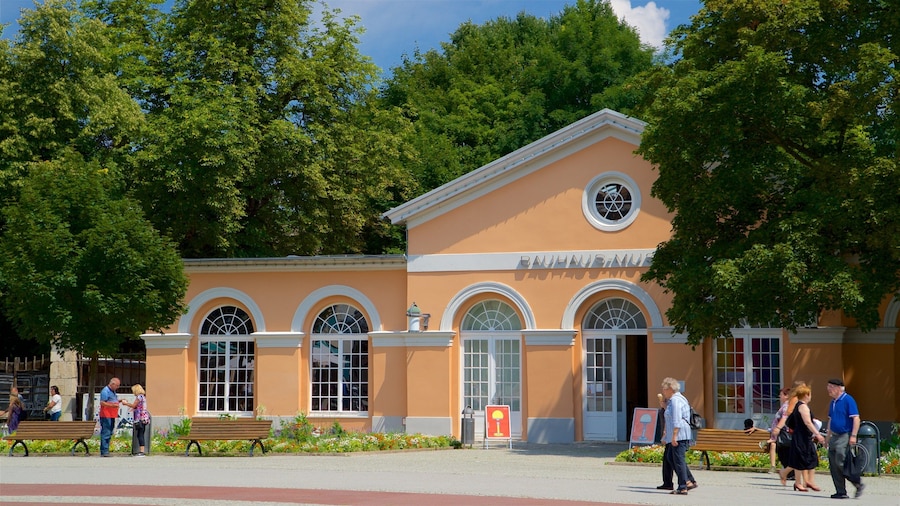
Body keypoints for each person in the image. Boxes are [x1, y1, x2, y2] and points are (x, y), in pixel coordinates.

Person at [777, 385, 824, 492]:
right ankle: (804, 481)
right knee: (806, 458)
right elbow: (808, 422)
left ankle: (798, 480)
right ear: (806, 395)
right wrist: (817, 434)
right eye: (810, 394)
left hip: (801, 435)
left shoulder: (798, 405)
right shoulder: (803, 406)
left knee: (804, 458)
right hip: (802, 436)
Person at [657, 377, 697, 495]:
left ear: (670, 389)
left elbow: (677, 419)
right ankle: (689, 481)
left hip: (680, 434)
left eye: (664, 389)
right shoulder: (673, 400)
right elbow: (669, 417)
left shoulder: (676, 400)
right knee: (671, 458)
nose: (663, 391)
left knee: (678, 460)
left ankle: (683, 486)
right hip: (676, 434)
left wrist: (674, 436)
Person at [826, 378, 864, 499]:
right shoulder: (833, 402)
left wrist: (853, 435)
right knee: (833, 463)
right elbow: (830, 420)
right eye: (828, 387)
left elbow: (856, 418)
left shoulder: (848, 400)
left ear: (838, 388)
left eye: (831, 387)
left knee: (840, 461)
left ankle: (857, 482)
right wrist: (827, 437)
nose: (828, 389)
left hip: (844, 435)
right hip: (834, 435)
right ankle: (840, 491)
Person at [121, 384, 149, 456]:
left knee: (140, 434)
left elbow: (134, 405)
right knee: (140, 433)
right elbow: (138, 407)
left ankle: (142, 451)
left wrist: (126, 403)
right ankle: (141, 450)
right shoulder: (143, 397)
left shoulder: (139, 397)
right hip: (144, 417)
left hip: (140, 418)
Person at [98, 377, 121, 457]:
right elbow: (102, 402)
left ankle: (106, 450)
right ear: (112, 384)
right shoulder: (105, 391)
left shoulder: (113, 391)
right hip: (106, 415)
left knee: (110, 431)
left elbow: (112, 401)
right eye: (117, 385)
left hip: (111, 414)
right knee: (106, 432)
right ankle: (104, 451)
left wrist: (119, 401)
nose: (118, 387)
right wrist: (113, 405)